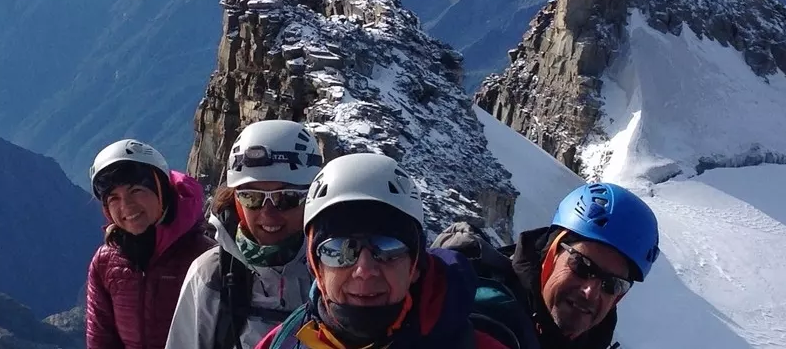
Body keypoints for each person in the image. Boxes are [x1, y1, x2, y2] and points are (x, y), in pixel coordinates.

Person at [256, 153, 515, 349]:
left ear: (415, 266)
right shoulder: (284, 341)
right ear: (317, 268)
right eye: (339, 250)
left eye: (388, 249)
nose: (364, 270)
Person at [167, 120, 324, 348]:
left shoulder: (340, 270)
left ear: (311, 197)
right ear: (237, 202)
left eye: (286, 198)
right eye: (252, 198)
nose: (267, 214)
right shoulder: (211, 274)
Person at [84, 139, 215, 349]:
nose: (126, 206)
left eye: (136, 190)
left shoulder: (205, 257)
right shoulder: (105, 262)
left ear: (161, 191)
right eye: (113, 198)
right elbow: (101, 340)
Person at [503, 182, 660, 349]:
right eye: (582, 266)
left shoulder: (592, 340)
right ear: (551, 252)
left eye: (612, 284)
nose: (590, 293)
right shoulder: (492, 314)